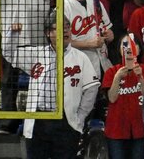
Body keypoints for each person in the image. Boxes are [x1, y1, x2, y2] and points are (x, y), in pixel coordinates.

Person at [9, 19, 100, 159]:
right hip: (38, 121)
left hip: (65, 122)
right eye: (58, 28)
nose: (65, 31)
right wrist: (12, 34)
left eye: (67, 27)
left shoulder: (81, 57)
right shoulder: (36, 54)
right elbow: (9, 54)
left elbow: (91, 89)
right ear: (48, 33)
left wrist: (80, 118)